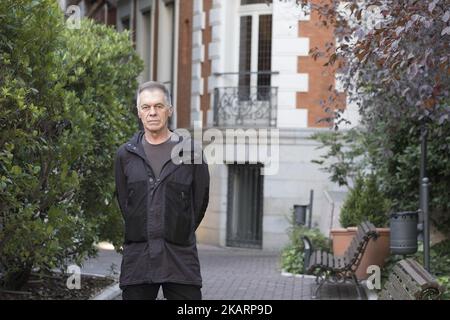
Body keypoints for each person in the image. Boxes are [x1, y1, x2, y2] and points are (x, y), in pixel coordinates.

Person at [114, 81, 210, 300]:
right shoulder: (125, 155)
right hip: (138, 257)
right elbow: (125, 203)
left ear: (170, 110)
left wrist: (179, 227)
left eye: (158, 106)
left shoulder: (191, 153)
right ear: (139, 113)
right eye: (146, 107)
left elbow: (199, 201)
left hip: (180, 257)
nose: (152, 112)